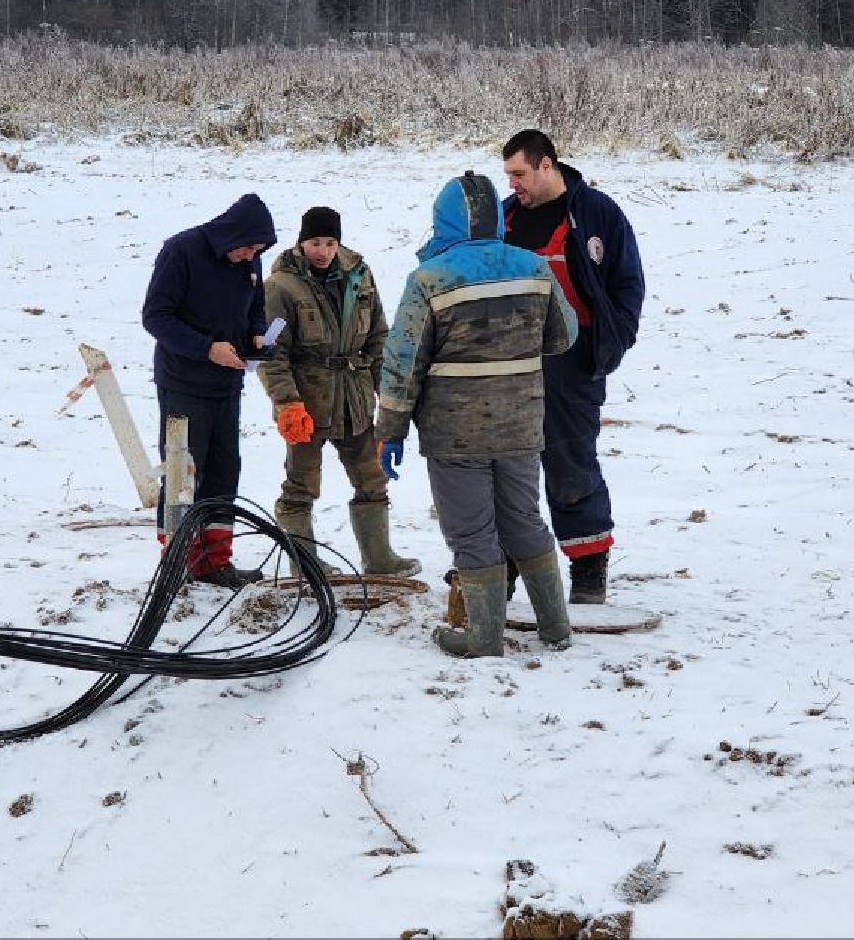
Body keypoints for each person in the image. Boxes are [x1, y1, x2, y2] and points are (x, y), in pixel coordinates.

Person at [375, 172, 577, 658]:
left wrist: (391, 431)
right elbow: (563, 334)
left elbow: (403, 365)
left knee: (471, 531)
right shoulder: (532, 267)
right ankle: (555, 626)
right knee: (525, 520)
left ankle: (483, 637)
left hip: (456, 432)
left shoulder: (429, 279)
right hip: (523, 423)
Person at [499, 129, 645, 604]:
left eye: (519, 173)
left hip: (572, 362)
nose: (513, 183)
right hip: (509, 362)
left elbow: (628, 283)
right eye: (508, 175)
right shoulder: (503, 219)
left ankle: (587, 571)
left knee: (569, 462)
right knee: (505, 467)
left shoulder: (596, 213)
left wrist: (612, 340)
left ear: (547, 165)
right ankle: (501, 569)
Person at [256, 206, 419, 578]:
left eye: (330, 243)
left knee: (372, 480)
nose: (323, 251)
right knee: (301, 486)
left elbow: (379, 336)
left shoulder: (359, 276)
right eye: (315, 243)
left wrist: (386, 389)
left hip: (355, 400)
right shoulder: (280, 287)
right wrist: (287, 402)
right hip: (307, 404)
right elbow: (270, 351)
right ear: (301, 242)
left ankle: (380, 558)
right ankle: (306, 565)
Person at [141, 193, 277, 588]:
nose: (253, 255)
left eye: (259, 250)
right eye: (249, 247)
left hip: (227, 384)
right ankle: (176, 561)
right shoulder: (181, 251)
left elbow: (255, 308)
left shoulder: (249, 258)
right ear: (231, 235)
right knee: (184, 473)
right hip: (183, 383)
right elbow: (156, 316)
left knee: (223, 469)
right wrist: (206, 348)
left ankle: (214, 561)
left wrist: (255, 334)